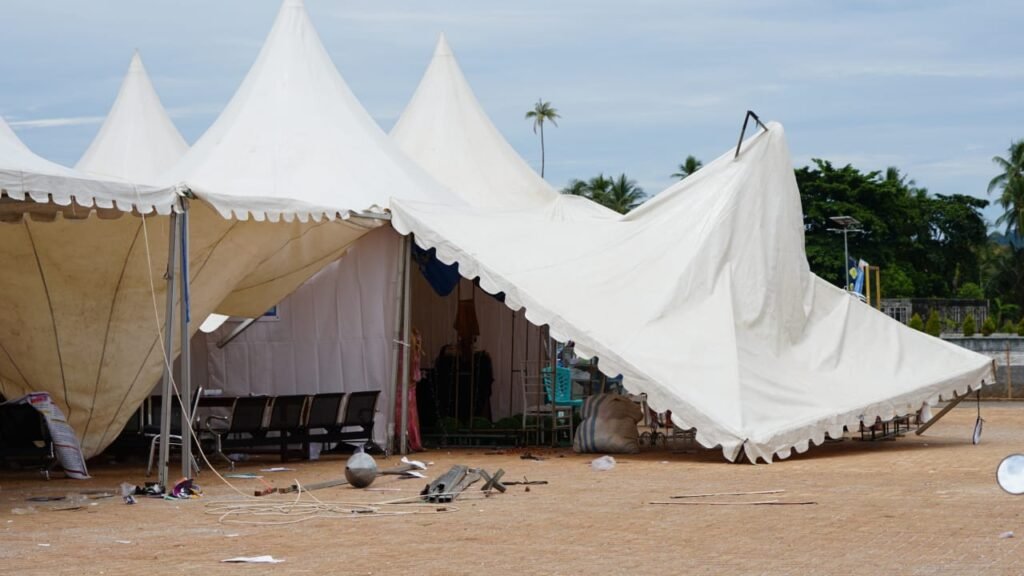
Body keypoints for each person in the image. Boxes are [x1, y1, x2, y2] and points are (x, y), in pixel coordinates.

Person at [395, 328, 424, 451]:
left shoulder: (413, 350)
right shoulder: (409, 350)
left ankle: (410, 440)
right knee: (407, 413)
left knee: (408, 413)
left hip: (407, 384)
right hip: (406, 384)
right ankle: (408, 440)